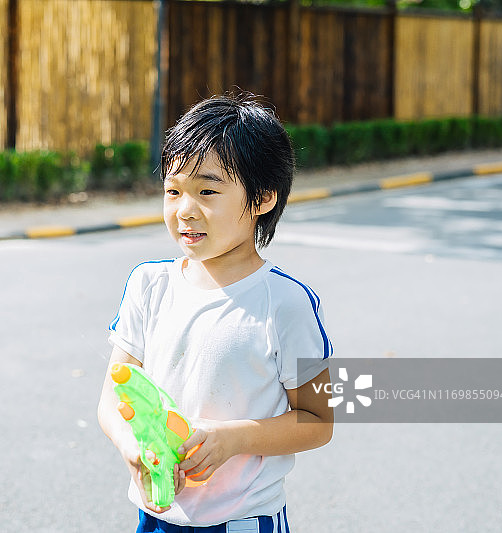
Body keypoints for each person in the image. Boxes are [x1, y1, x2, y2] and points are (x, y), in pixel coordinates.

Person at [97, 93, 334, 532]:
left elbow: (318, 420)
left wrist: (232, 439)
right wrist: (131, 445)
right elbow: (114, 395)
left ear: (262, 199)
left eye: (207, 191)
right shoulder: (148, 286)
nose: (185, 210)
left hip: (243, 519)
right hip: (156, 515)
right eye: (173, 190)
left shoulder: (284, 303)